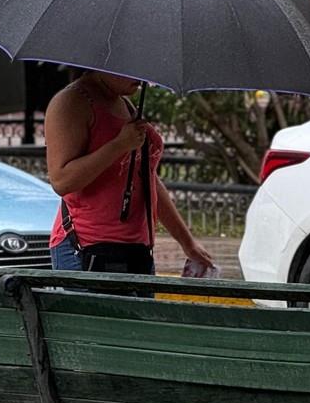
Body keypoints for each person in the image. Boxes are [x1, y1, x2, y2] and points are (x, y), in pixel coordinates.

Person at [44, 70, 214, 275]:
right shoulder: (72, 102)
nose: (142, 78)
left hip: (137, 250)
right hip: (87, 249)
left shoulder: (124, 103)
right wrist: (118, 145)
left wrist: (187, 242)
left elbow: (147, 178)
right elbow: (62, 181)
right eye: (132, 70)